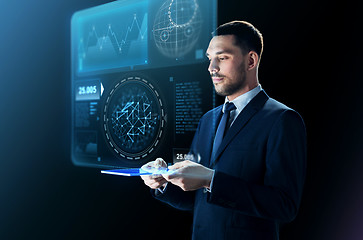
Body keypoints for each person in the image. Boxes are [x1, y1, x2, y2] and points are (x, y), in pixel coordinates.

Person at [141, 20, 306, 240]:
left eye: (222, 57)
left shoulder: (282, 119)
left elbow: (284, 206)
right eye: (210, 58)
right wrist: (163, 183)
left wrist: (211, 179)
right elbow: (195, 197)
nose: (212, 68)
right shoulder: (208, 120)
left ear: (251, 60)